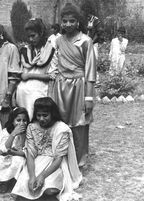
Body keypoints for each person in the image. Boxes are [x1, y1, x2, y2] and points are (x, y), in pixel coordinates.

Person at [48, 3, 96, 167]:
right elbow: (53, 65)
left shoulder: (85, 41)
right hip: (61, 87)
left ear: (78, 22)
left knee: (79, 123)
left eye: (72, 21)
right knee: (60, 122)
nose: (68, 24)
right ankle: (62, 158)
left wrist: (88, 98)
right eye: (65, 21)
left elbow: (90, 72)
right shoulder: (58, 41)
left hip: (78, 87)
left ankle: (80, 160)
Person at [12, 97, 82, 201]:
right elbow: (30, 154)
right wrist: (32, 176)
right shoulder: (32, 127)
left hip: (55, 163)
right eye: (38, 115)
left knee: (49, 189)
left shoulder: (62, 129)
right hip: (36, 161)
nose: (41, 119)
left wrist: (42, 176)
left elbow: (59, 158)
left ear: (52, 114)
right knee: (27, 185)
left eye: (45, 115)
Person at [16, 18, 56, 119]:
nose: (30, 39)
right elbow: (20, 71)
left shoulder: (50, 50)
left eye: (33, 36)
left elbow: (52, 75)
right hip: (22, 92)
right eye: (29, 36)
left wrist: (30, 75)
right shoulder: (26, 50)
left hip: (39, 90)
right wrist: (22, 75)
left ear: (41, 33)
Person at [0, 107, 29, 193]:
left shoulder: (28, 133)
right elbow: (3, 149)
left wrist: (14, 152)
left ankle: (15, 182)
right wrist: (13, 134)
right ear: (12, 121)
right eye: (18, 120)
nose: (21, 123)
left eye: (24, 120)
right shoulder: (6, 131)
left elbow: (26, 152)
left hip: (19, 156)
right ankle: (4, 181)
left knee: (19, 161)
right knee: (1, 161)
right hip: (6, 156)